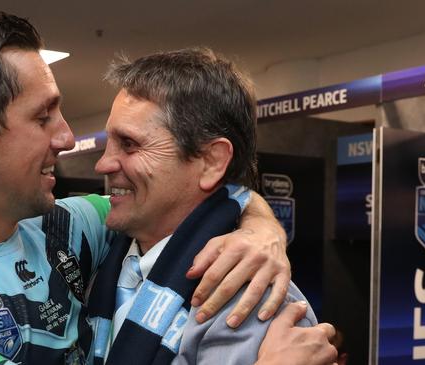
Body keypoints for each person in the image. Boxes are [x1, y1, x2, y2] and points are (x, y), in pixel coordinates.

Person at [0, 11, 328, 365]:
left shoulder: (66, 231)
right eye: (42, 117)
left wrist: (259, 229)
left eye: (129, 143)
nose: (68, 139)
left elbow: (185, 206)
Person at [88, 48, 337, 365]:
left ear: (211, 161)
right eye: (108, 143)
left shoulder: (249, 300)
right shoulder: (97, 257)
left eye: (129, 144)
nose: (103, 164)